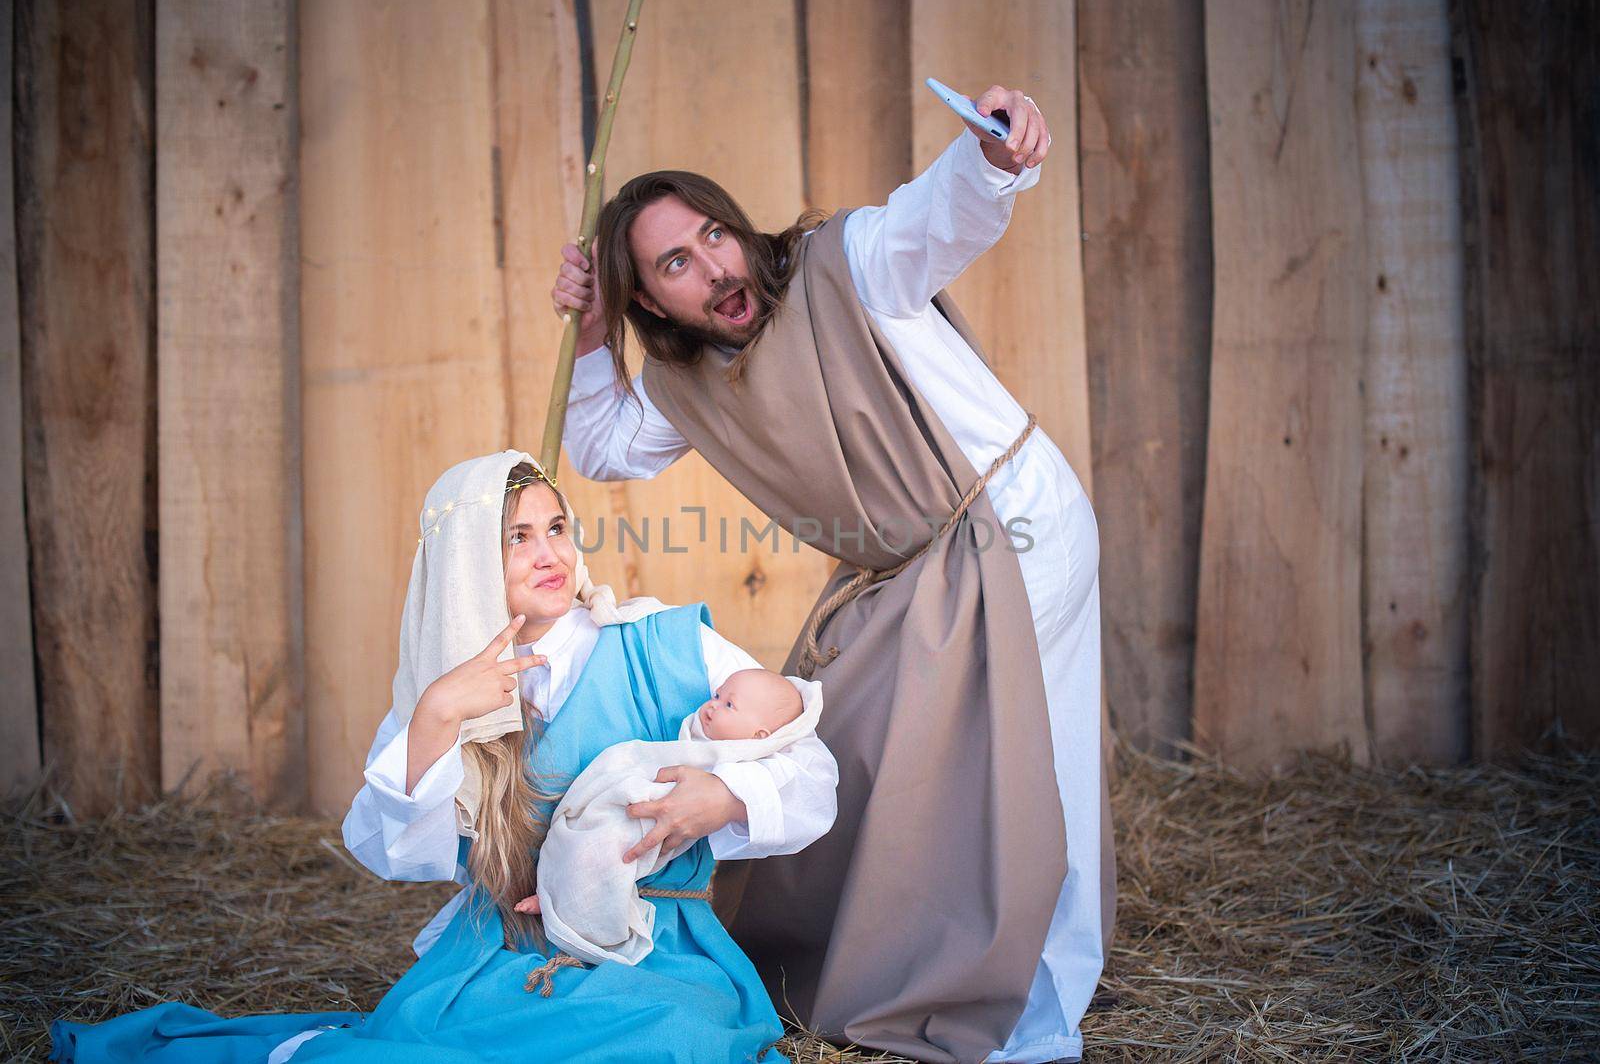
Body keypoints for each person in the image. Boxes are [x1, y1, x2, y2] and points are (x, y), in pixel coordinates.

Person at [548, 85, 1113, 1062]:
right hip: (906, 570)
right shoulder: (686, 383)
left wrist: (992, 154)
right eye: (675, 263)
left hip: (1011, 525)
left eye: (715, 234)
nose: (715, 265)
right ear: (648, 297)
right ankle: (881, 952)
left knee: (1033, 766)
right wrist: (593, 339)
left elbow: (933, 220)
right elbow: (600, 447)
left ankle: (1038, 1004)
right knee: (836, 733)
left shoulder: (843, 265)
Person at [48, 451, 838, 1064]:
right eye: (517, 538)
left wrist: (725, 801)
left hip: (656, 948)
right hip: (504, 951)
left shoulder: (661, 646)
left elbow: (810, 769)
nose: (548, 554)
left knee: (672, 1040)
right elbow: (384, 848)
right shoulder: (445, 685)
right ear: (466, 560)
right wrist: (435, 718)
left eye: (556, 528)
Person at [524, 667, 819, 967]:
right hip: (624, 801)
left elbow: (812, 784)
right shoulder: (700, 733)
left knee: (607, 854)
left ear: (760, 736)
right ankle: (554, 896)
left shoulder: (747, 757)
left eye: (729, 705)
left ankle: (567, 911)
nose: (713, 704)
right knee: (588, 835)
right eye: (717, 695)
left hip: (652, 839)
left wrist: (726, 797)